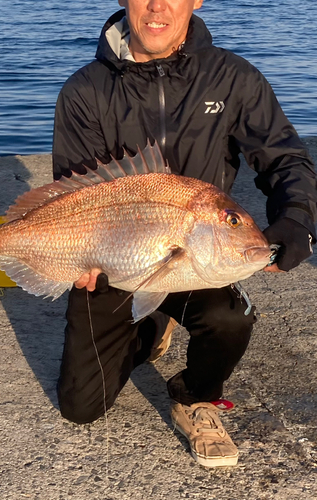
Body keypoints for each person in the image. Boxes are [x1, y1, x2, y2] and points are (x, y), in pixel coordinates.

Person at [52, 0, 317, 467]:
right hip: (115, 262)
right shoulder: (84, 90)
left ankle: (196, 394)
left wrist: (296, 219)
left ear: (195, 0)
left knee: (230, 318)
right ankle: (152, 326)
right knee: (81, 407)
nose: (157, 7)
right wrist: (72, 257)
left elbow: (285, 160)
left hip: (195, 254)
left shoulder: (233, 77)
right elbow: (74, 197)